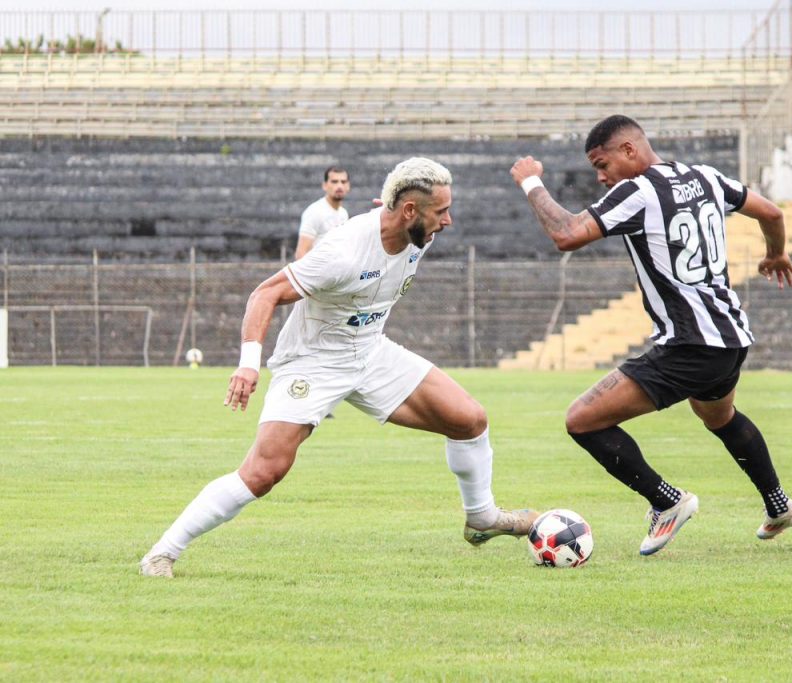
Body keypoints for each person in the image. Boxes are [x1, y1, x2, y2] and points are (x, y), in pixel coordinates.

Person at [141, 157, 537, 578]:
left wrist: (395, 214)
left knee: (469, 419)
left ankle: (482, 517)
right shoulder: (342, 252)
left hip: (370, 351)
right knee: (264, 471)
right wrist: (248, 366)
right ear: (410, 211)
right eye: (441, 211)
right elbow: (264, 294)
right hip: (313, 361)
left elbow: (392, 219)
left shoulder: (417, 232)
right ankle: (162, 553)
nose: (449, 220)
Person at [509, 115, 792, 556]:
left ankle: (667, 501)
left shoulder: (639, 191)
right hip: (730, 339)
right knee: (719, 417)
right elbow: (772, 212)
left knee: (582, 420)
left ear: (629, 150)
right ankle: (779, 505)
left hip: (688, 343)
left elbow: (567, 234)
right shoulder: (705, 177)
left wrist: (531, 182)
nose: (601, 177)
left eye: (602, 164)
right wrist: (776, 253)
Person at [295, 166, 351, 259]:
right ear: (325, 185)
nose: (339, 186)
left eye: (343, 182)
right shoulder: (314, 212)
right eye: (334, 182)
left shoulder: (343, 213)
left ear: (348, 186)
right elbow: (301, 254)